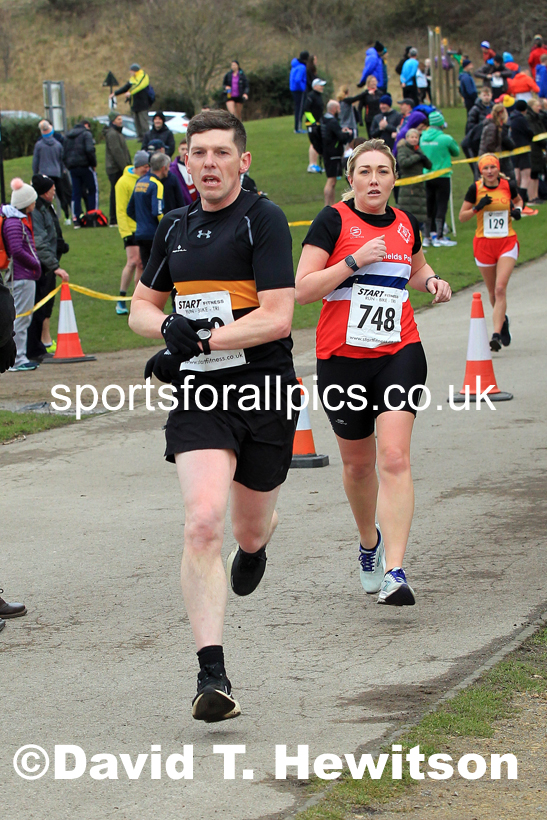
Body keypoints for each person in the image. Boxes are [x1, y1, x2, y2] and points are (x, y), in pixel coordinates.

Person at [128, 109, 298, 722]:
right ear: (184, 163)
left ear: (242, 161)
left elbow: (278, 317)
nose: (208, 163)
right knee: (202, 520)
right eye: (197, 153)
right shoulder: (172, 228)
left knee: (247, 529)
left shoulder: (264, 220)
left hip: (264, 392)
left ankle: (254, 547)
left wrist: (200, 341)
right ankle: (211, 674)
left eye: (221, 152)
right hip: (200, 397)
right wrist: (168, 326)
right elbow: (140, 310)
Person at [295, 139, 451, 607]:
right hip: (341, 359)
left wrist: (433, 282)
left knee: (396, 458)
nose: (374, 180)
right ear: (351, 178)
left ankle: (395, 571)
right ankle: (369, 543)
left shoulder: (406, 224)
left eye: (383, 171)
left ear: (395, 177)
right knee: (359, 465)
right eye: (365, 172)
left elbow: (416, 268)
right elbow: (302, 290)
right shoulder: (332, 221)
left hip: (398, 351)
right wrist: (351, 261)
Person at [459, 154, 523, 351]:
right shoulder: (475, 189)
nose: (489, 171)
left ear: (497, 169)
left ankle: (495, 334)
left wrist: (518, 210)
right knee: (492, 292)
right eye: (485, 168)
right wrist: (478, 208)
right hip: (484, 245)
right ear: (481, 171)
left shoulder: (508, 185)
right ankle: (502, 320)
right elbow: (462, 217)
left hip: (507, 242)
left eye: (492, 168)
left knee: (500, 288)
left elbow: (519, 201)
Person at [27, 175, 70, 361]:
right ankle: (33, 349)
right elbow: (39, 241)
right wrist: (54, 266)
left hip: (47, 265)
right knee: (37, 307)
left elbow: (50, 235)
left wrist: (60, 246)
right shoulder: (37, 209)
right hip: (41, 268)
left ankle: (37, 347)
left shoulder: (45, 207)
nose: (54, 192)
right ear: (45, 191)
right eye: (52, 189)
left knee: (43, 307)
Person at [2, 179, 41, 371]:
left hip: (23, 275)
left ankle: (19, 356)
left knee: (23, 317)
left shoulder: (15, 221)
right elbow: (17, 250)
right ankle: (18, 358)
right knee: (21, 317)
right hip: (21, 276)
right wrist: (35, 263)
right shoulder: (15, 223)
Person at [114, 151, 150, 316]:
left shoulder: (145, 181)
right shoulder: (123, 183)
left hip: (142, 229)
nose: (147, 169)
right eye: (144, 166)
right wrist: (125, 232)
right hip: (130, 229)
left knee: (141, 264)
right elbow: (121, 209)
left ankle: (137, 301)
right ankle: (121, 297)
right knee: (133, 261)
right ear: (138, 166)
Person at [420, 110, 460, 247]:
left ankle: (427, 236)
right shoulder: (446, 138)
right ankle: (439, 236)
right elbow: (456, 152)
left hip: (427, 175)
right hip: (443, 175)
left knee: (429, 206)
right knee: (441, 205)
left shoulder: (422, 137)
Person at [127, 152, 169, 270]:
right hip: (153, 234)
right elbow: (158, 211)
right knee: (159, 269)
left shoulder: (140, 181)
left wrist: (142, 220)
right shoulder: (157, 184)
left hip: (140, 233)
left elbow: (129, 210)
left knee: (147, 270)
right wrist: (166, 227)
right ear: (163, 168)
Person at [32, 120, 70, 224]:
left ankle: (47, 216)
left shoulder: (39, 145)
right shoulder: (58, 145)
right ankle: (67, 216)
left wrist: (35, 173)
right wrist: (62, 170)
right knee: (61, 195)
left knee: (45, 197)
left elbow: (36, 161)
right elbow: (61, 159)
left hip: (45, 173)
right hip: (57, 173)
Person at [63, 119, 98, 227]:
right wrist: (93, 163)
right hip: (85, 165)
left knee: (76, 193)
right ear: (86, 125)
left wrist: (68, 165)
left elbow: (64, 153)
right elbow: (89, 150)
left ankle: (76, 218)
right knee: (92, 190)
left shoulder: (68, 136)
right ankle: (92, 215)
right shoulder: (86, 134)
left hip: (73, 167)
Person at [396, 129, 432, 232]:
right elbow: (403, 163)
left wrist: (423, 158)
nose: (414, 139)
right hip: (408, 186)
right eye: (412, 137)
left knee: (419, 213)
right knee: (408, 212)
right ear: (407, 138)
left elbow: (429, 165)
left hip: (419, 186)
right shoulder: (403, 149)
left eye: (416, 137)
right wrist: (417, 157)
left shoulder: (418, 149)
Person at [320, 99, 354, 206]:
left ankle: (332, 204)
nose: (340, 110)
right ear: (334, 109)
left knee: (333, 181)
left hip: (326, 152)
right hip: (333, 154)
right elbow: (341, 137)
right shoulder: (333, 121)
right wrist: (348, 133)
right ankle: (327, 205)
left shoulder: (324, 120)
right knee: (331, 180)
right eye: (338, 108)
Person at [110, 64, 152, 140]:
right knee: (137, 122)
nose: (130, 72)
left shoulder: (143, 76)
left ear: (135, 71)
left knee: (143, 123)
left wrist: (130, 92)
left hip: (142, 105)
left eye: (131, 71)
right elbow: (126, 87)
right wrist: (115, 93)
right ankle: (140, 138)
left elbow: (139, 86)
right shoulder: (132, 79)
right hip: (134, 104)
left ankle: (147, 138)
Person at [104, 111, 132, 227]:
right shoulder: (112, 134)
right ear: (113, 121)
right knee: (115, 193)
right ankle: (114, 219)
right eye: (118, 119)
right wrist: (125, 167)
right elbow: (116, 152)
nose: (121, 121)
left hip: (118, 167)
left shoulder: (117, 133)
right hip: (115, 168)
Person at [479, 103, 515, 179]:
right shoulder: (492, 127)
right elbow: (489, 144)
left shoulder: (499, 126)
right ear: (501, 114)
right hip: (491, 161)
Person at [524, 98, 547, 203]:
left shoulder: (538, 117)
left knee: (537, 173)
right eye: (537, 106)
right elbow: (535, 133)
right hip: (533, 149)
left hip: (538, 149)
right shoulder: (529, 118)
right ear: (532, 106)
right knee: (532, 174)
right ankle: (531, 197)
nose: (539, 107)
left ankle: (536, 195)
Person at [509, 99, 534, 191]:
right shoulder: (521, 119)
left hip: (514, 149)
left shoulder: (511, 118)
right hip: (523, 148)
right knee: (525, 175)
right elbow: (529, 132)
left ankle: (516, 196)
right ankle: (522, 198)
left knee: (517, 174)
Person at [304, 77, 326, 173]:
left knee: (318, 143)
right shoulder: (311, 96)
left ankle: (317, 164)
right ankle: (312, 165)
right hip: (312, 124)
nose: (322, 87)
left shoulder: (319, 96)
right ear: (315, 86)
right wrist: (313, 122)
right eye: (320, 85)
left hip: (318, 123)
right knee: (314, 143)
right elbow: (306, 110)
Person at [170, 138, 199, 205]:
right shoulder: (173, 169)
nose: (184, 152)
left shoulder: (197, 165)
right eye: (182, 149)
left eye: (186, 149)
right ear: (179, 150)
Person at [290, 50, 309, 133]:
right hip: (299, 90)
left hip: (294, 89)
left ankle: (297, 127)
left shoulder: (295, 65)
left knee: (298, 108)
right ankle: (298, 128)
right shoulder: (302, 67)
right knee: (300, 109)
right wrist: (303, 88)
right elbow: (298, 79)